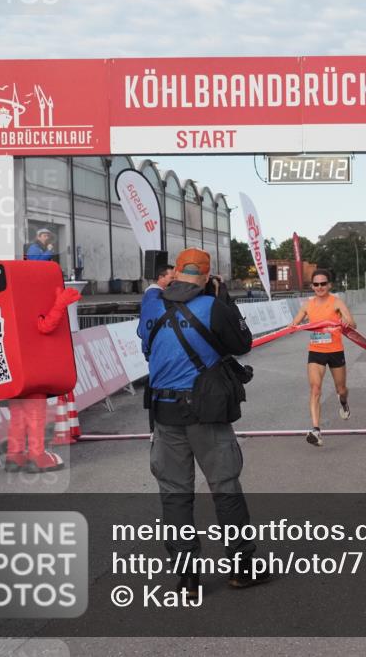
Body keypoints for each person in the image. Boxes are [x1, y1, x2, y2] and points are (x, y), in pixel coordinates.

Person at [138, 247, 262, 595]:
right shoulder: (212, 306)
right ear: (207, 277)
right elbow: (242, 343)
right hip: (206, 413)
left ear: (174, 272)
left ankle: (187, 576)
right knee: (225, 487)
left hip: (163, 412)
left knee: (175, 494)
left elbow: (146, 345)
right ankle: (242, 567)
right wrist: (222, 297)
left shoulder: (151, 304)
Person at [291, 268, 357, 446]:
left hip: (335, 351)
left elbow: (353, 324)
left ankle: (343, 403)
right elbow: (294, 324)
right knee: (315, 389)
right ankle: (316, 430)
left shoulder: (337, 303)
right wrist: (294, 325)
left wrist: (345, 322)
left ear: (329, 285)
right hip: (316, 352)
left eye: (323, 284)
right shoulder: (307, 305)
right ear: (312, 286)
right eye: (316, 284)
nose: (319, 287)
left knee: (341, 389)